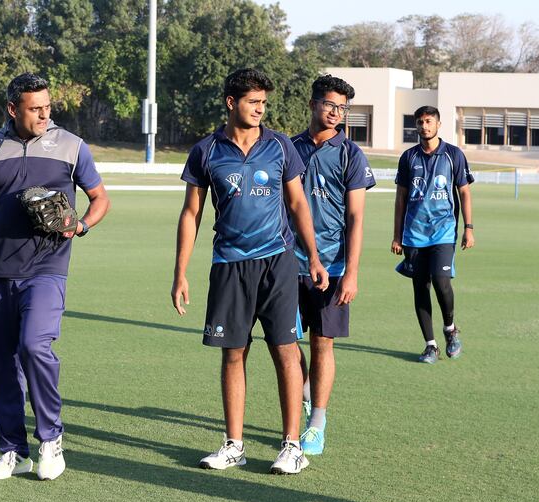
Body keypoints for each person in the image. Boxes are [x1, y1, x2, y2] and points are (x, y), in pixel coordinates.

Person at [0, 72, 110, 480]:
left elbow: (100, 198)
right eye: (35, 108)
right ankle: (13, 451)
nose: (44, 114)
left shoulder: (71, 146)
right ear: (12, 109)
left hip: (46, 269)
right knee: (0, 362)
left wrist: (82, 225)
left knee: (34, 346)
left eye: (48, 106)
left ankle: (51, 440)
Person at [171, 68, 329, 475]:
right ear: (231, 103)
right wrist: (180, 273)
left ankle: (292, 446)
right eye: (252, 102)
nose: (260, 109)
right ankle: (234, 445)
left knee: (286, 352)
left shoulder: (280, 147)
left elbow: (298, 205)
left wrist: (312, 256)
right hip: (228, 266)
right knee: (233, 353)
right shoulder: (205, 151)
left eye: (263, 103)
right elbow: (191, 214)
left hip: (277, 262)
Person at [290, 74, 375, 456]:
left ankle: (317, 421)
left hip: (333, 265)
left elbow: (356, 217)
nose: (335, 113)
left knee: (322, 343)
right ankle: (307, 392)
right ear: (312, 104)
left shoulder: (351, 155)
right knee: (286, 342)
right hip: (286, 262)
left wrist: (352, 272)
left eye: (342, 108)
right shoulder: (287, 149)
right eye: (329, 105)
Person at [391, 105, 474, 364]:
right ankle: (430, 346)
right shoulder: (408, 158)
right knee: (420, 288)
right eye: (419, 122)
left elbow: (464, 192)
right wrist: (397, 235)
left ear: (438, 125)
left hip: (444, 231)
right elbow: (401, 198)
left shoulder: (453, 155)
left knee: (441, 281)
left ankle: (450, 329)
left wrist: (469, 228)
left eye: (428, 121)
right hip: (414, 235)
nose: (424, 126)